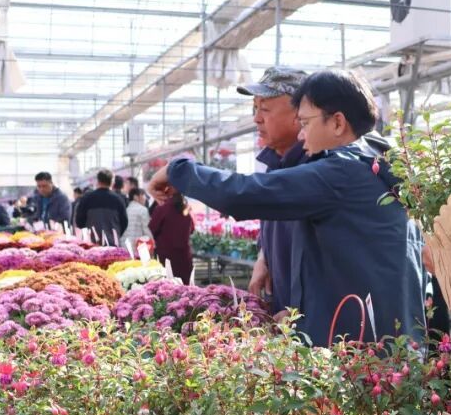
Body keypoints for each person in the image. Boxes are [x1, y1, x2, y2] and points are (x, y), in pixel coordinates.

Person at [149, 68, 426, 346]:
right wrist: (301, 317)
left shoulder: (341, 172)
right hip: (389, 340)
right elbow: (347, 267)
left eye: (305, 123)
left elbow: (243, 194)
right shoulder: (374, 161)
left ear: (338, 123)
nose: (302, 135)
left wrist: (178, 169)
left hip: (362, 348)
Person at [237, 67, 309, 313]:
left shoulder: (313, 170)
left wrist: (303, 314)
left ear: (300, 114)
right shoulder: (275, 166)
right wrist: (263, 256)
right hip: (282, 311)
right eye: (255, 108)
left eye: (265, 109)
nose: (257, 118)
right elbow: (271, 228)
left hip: (315, 324)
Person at [149, 190, 195, 283]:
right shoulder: (186, 209)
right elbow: (192, 229)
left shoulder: (162, 209)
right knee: (185, 286)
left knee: (167, 287)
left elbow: (152, 229)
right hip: (184, 256)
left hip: (166, 256)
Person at [75, 169, 129, 245]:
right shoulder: (118, 200)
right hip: (112, 245)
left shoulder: (87, 199)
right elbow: (124, 222)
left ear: (98, 181)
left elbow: (79, 222)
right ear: (112, 182)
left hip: (92, 244)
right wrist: (115, 234)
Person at [122, 188, 152, 252]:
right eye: (143, 195)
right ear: (135, 197)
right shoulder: (143, 210)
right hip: (137, 245)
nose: (145, 198)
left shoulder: (126, 210)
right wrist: (152, 242)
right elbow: (147, 229)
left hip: (124, 244)